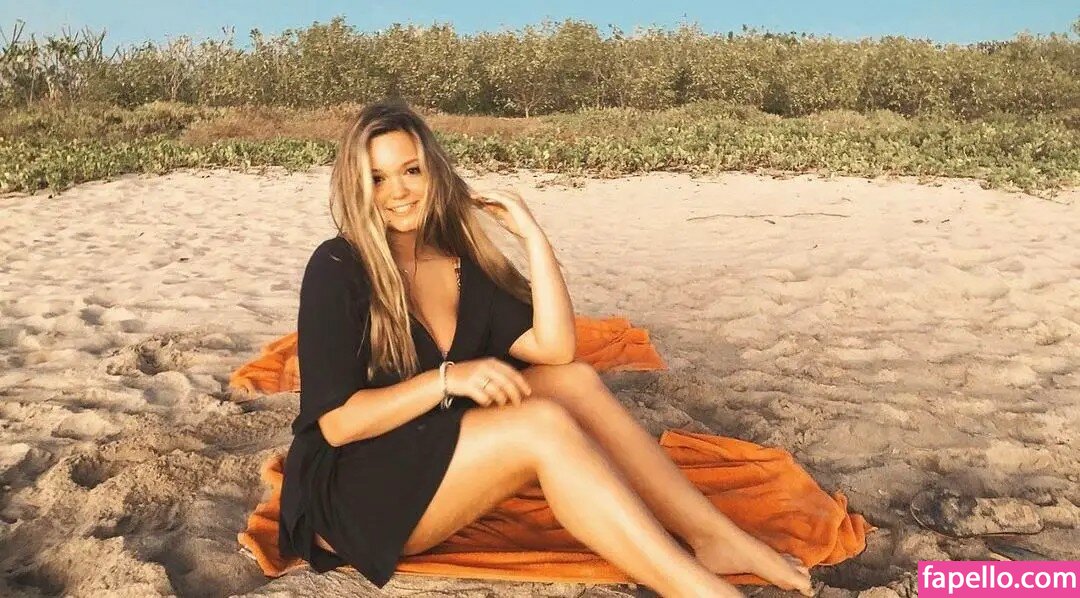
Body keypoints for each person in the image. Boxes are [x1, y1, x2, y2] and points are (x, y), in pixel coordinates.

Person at [277, 98, 813, 598]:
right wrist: (448, 379)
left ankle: (714, 537)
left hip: (424, 449)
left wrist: (534, 240)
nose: (398, 191)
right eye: (377, 178)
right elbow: (338, 424)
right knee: (542, 424)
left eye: (410, 170)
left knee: (571, 382)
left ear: (433, 171)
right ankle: (699, 590)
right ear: (357, 186)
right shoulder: (338, 266)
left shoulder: (460, 263)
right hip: (350, 494)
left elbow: (555, 349)